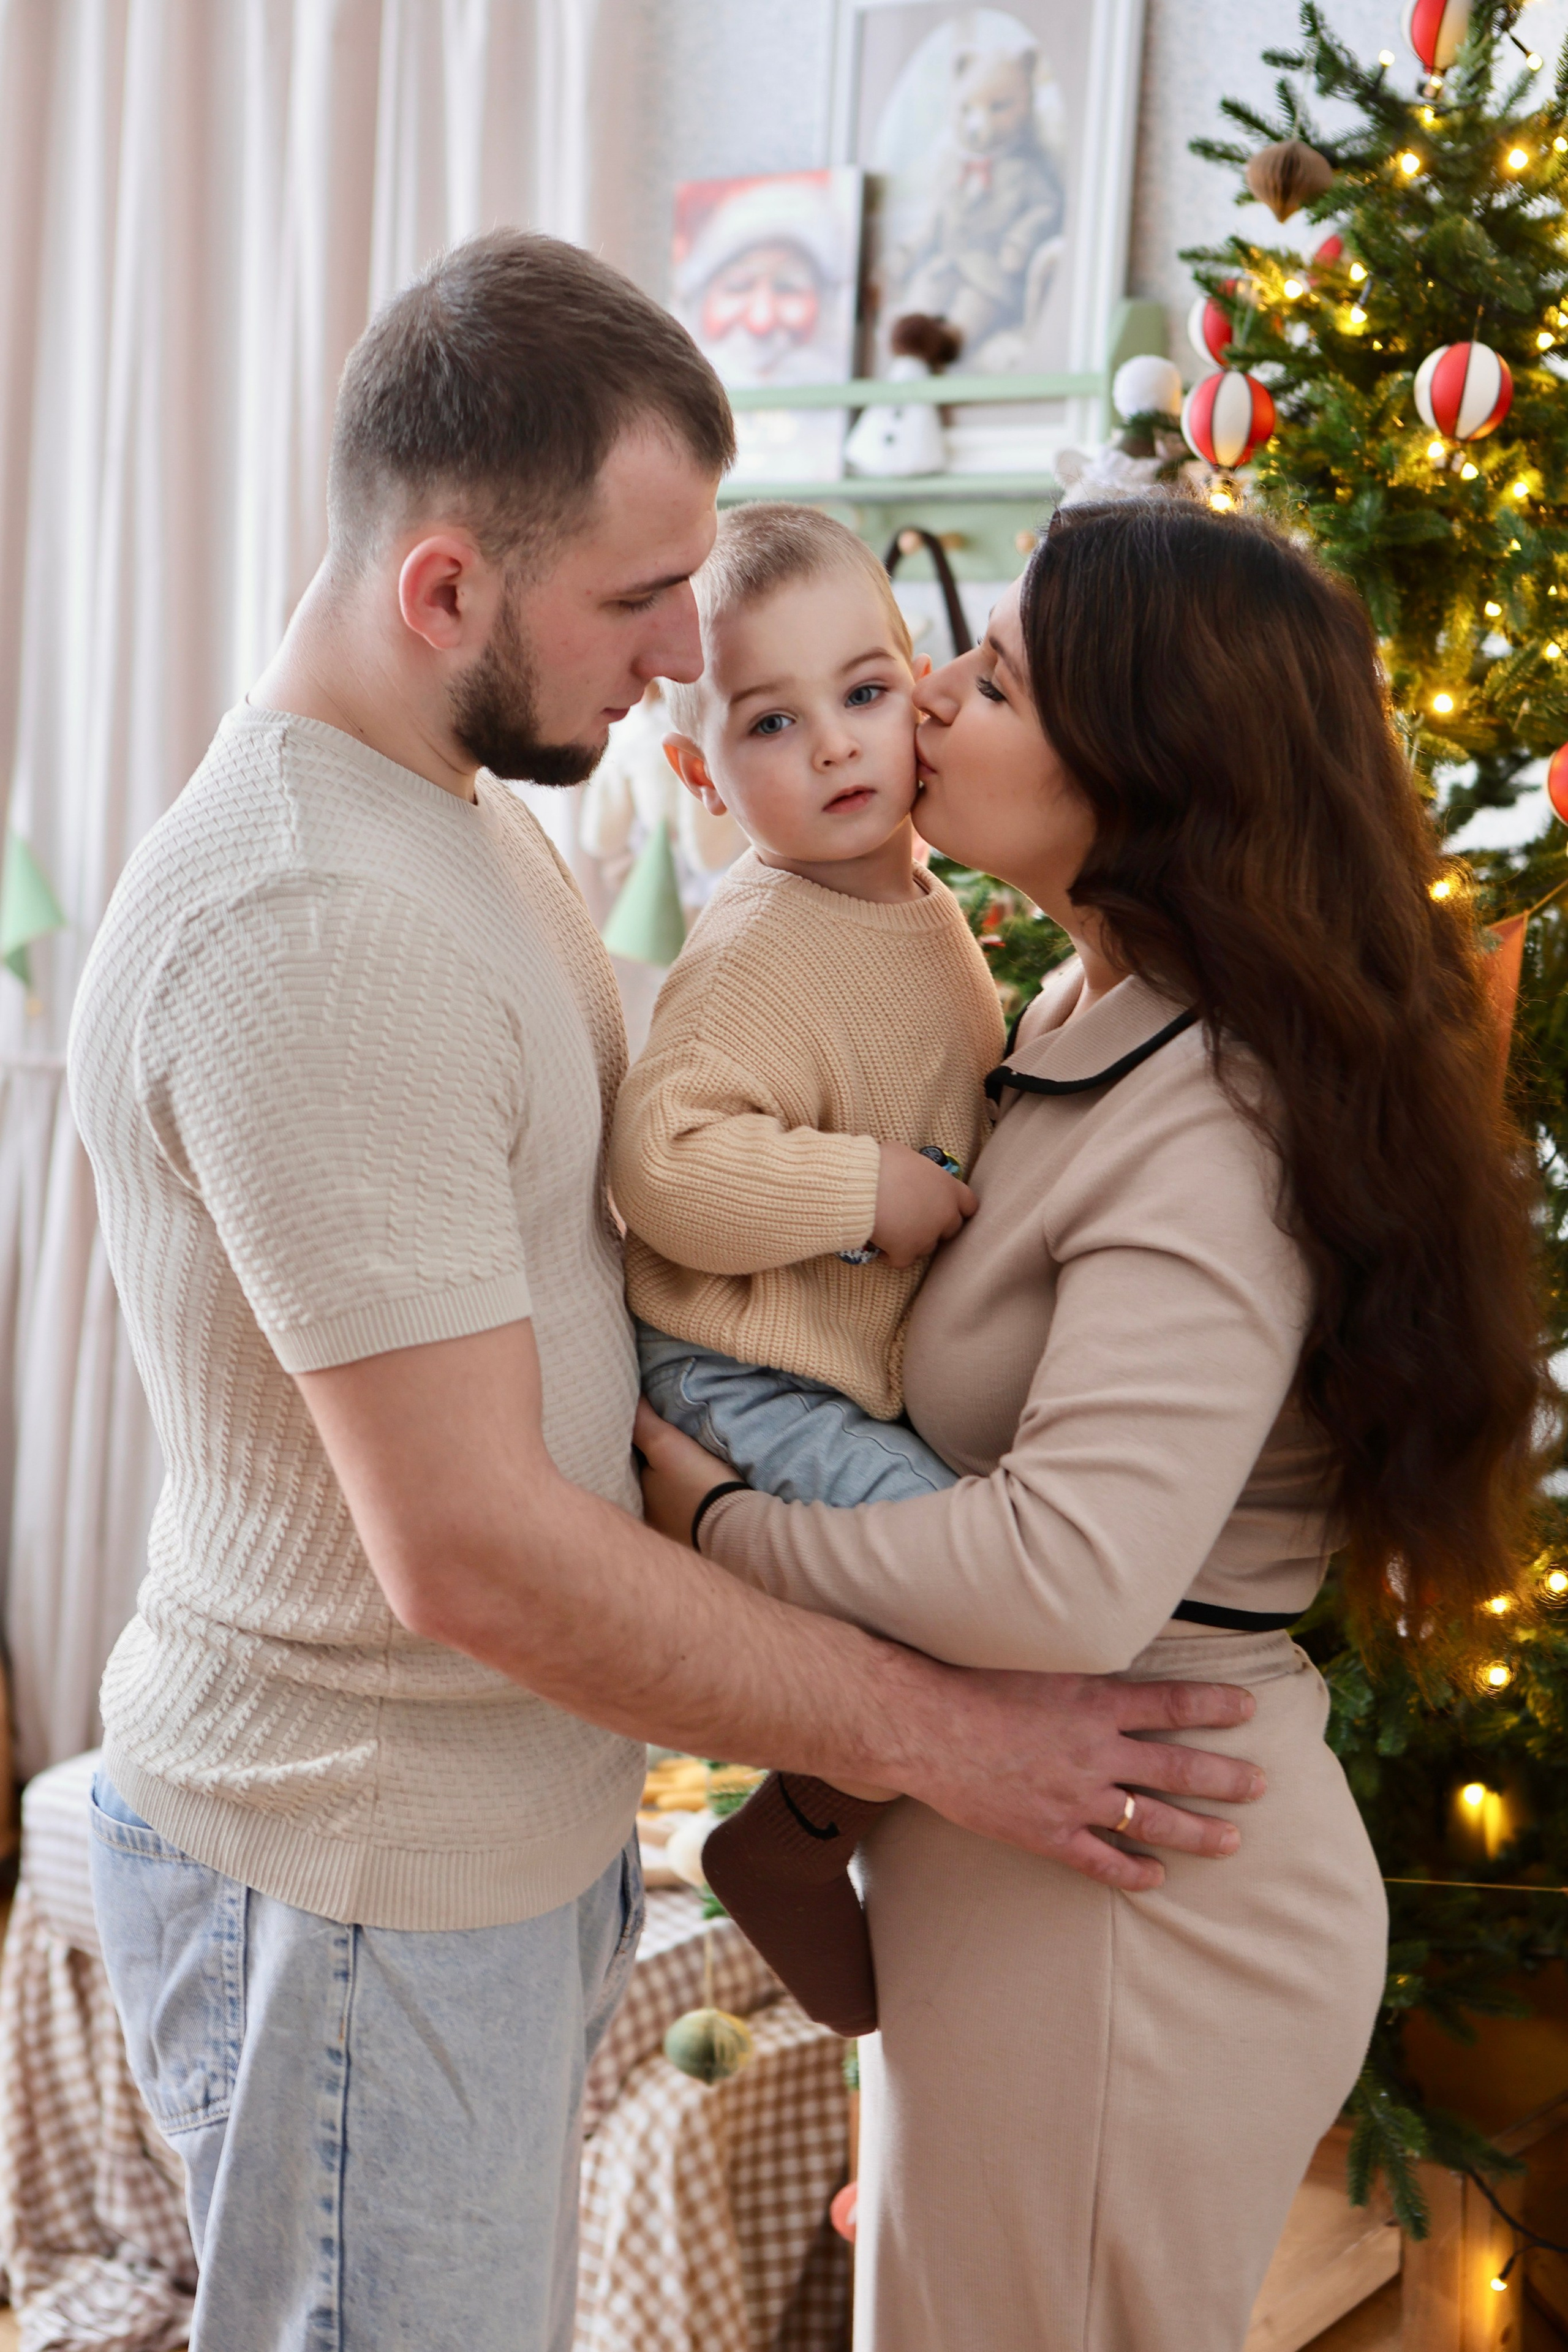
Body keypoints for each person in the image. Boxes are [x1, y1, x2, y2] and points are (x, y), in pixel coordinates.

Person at [67, 235, 1267, 2352]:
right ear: (444, 592)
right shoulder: (313, 925)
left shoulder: (451, 812)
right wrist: (958, 1740)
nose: (676, 656)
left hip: (479, 1843)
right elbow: (469, 1548)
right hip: (359, 1872)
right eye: (640, 608)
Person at [638, 500, 1547, 2352]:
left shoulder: (1214, 1120)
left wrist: (721, 1523)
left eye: (1000, 678)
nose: (935, 704)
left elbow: (1059, 1576)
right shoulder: (1070, 1012)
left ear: (1145, 772)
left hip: (1138, 1902)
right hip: (1038, 1873)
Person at [611, 502, 998, 2037]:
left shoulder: (920, 904)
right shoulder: (760, 938)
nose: (836, 747)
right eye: (772, 721)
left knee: (959, 1565)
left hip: (837, 1358)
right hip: (739, 1362)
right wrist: (865, 1191)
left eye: (861, 693)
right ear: (703, 775)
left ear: (919, 691)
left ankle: (821, 1823)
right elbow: (664, 1165)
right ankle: (788, 1840)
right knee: (954, 1567)